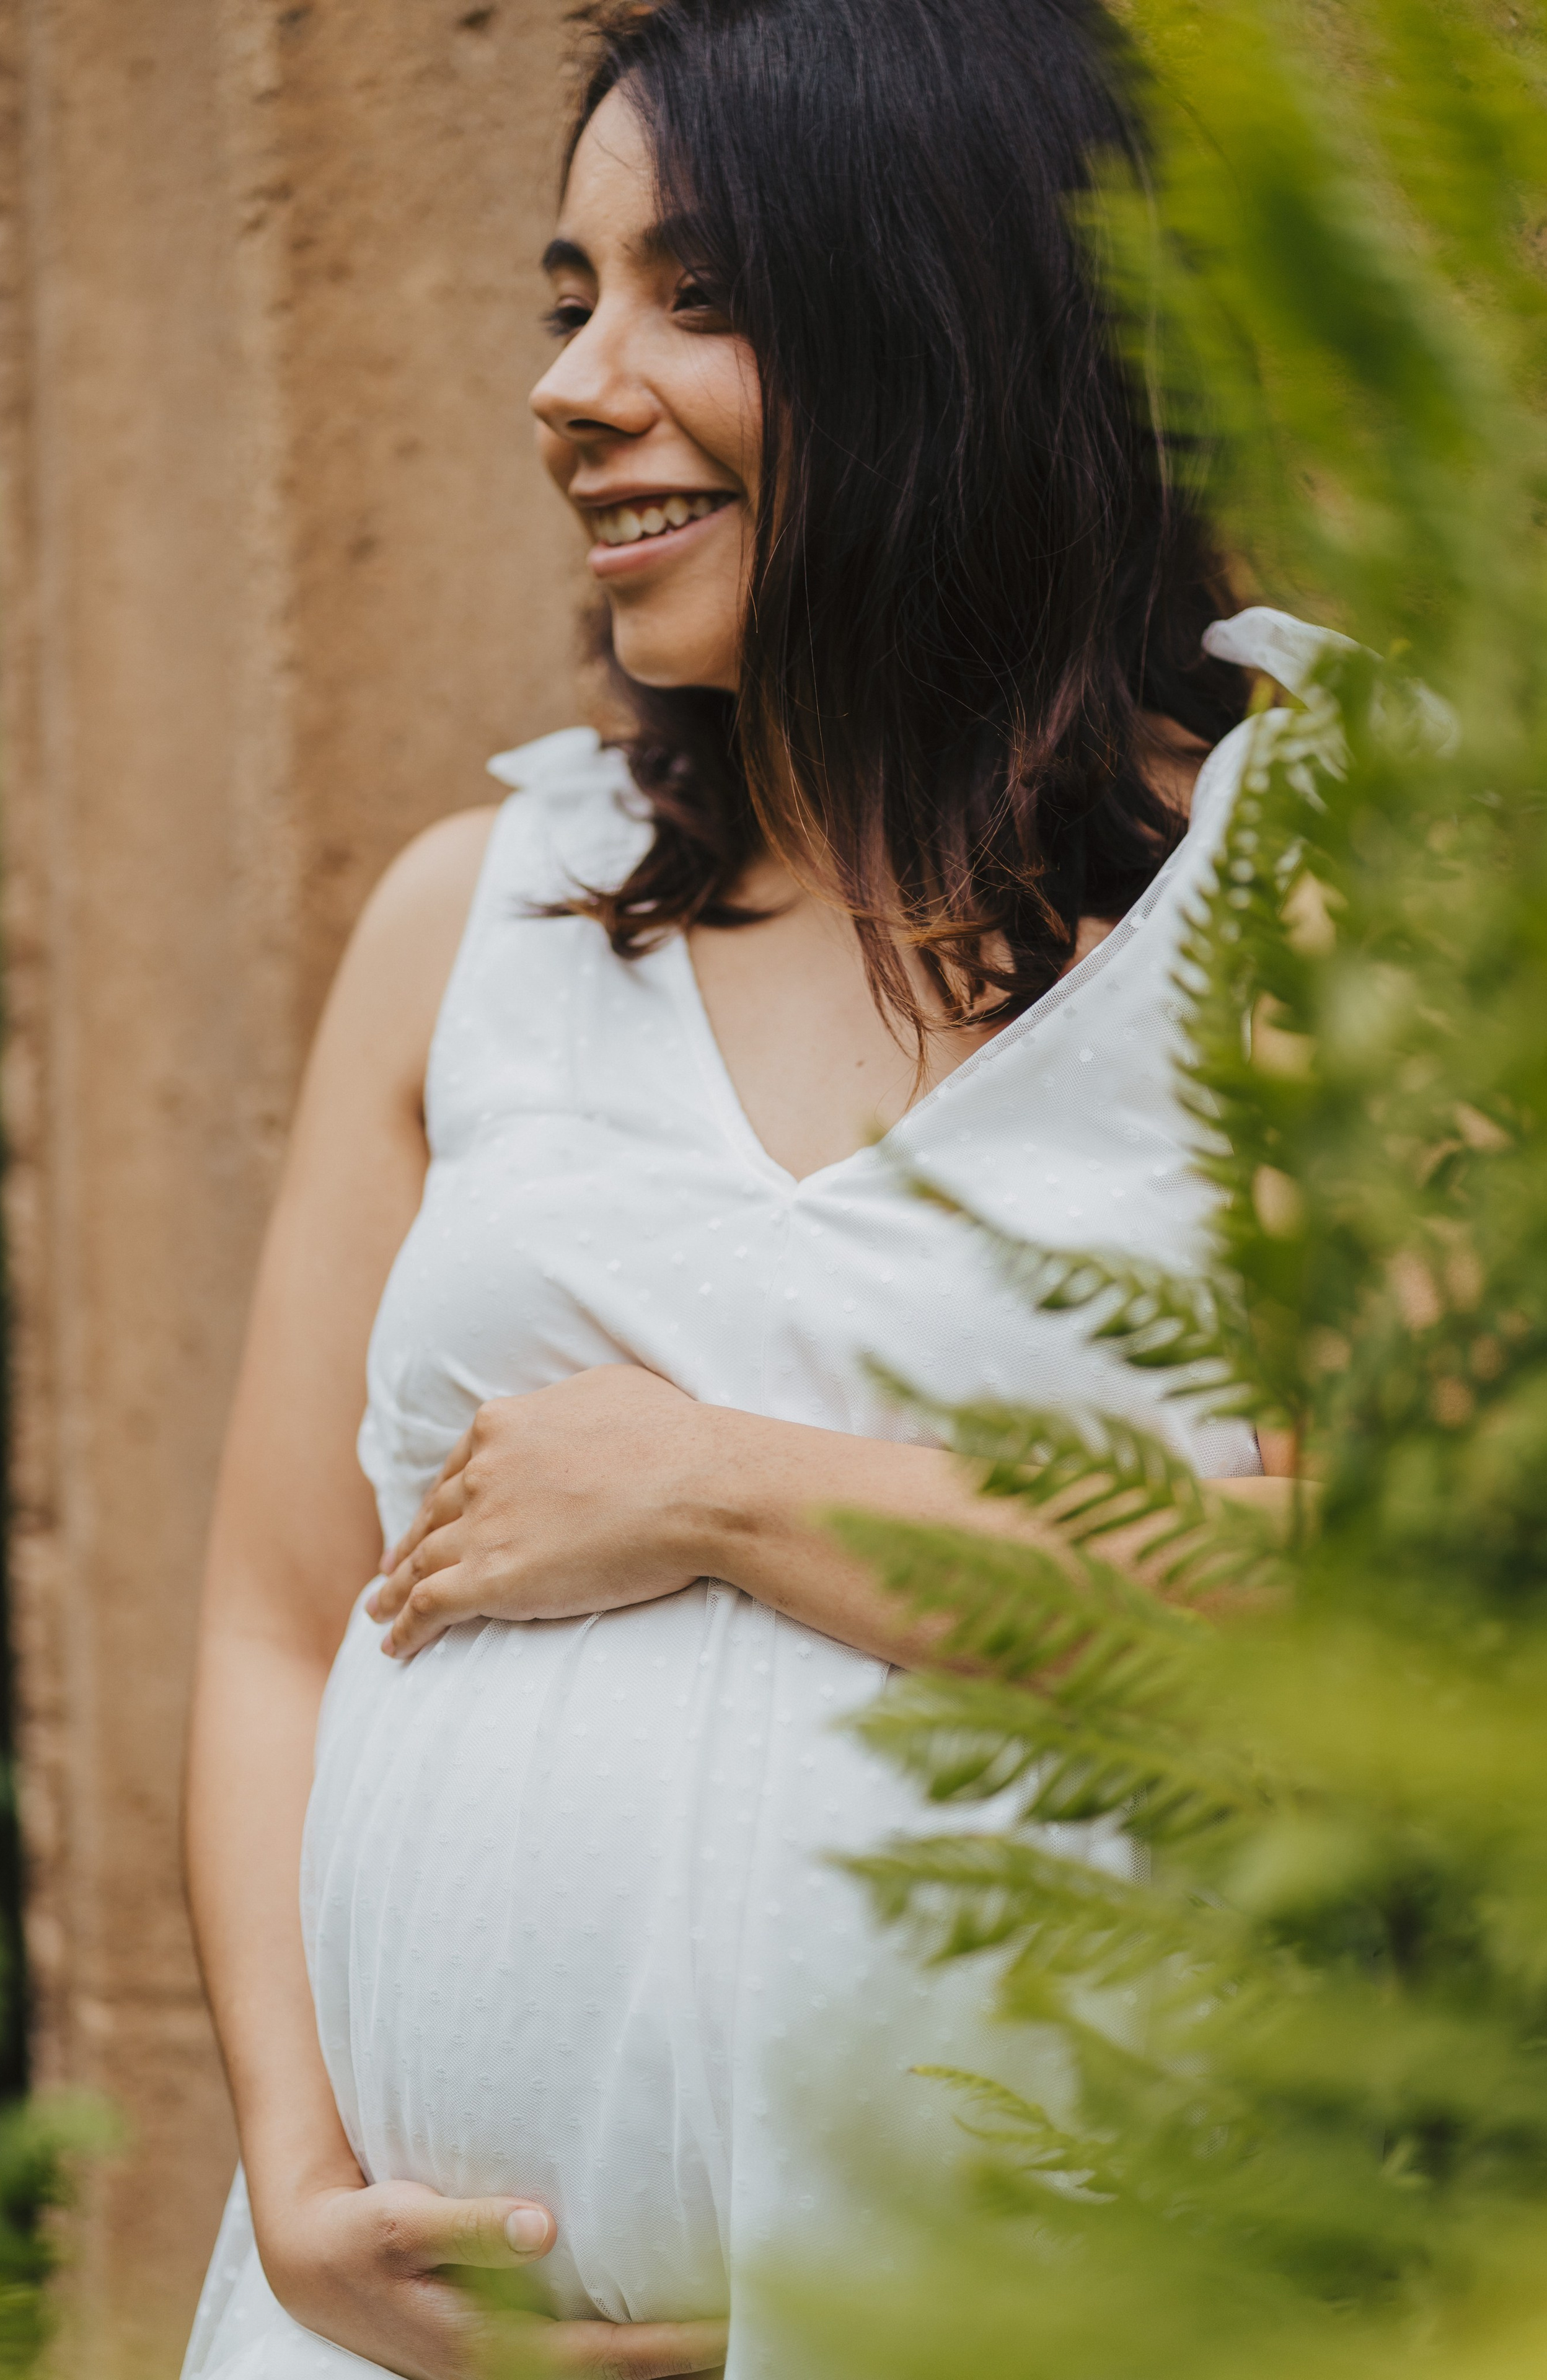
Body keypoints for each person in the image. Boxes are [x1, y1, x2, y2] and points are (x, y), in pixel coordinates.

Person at [180, 3, 1300, 2374]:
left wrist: (720, 1490)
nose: (577, 383)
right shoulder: (469, 916)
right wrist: (294, 2191)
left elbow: (1380, 1632)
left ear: (957, 328)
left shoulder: (1305, 929)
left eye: (697, 295)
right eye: (564, 296)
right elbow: (280, 1619)